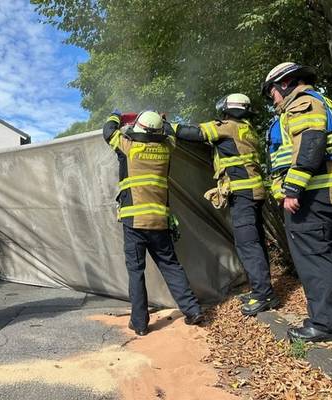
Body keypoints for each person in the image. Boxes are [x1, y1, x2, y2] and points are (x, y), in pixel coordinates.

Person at [262, 62, 332, 343]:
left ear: (284, 84)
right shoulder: (323, 102)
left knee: (314, 260)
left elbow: (311, 144)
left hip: (311, 195)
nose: (273, 99)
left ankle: (325, 324)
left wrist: (292, 188)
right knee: (330, 255)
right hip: (326, 193)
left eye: (272, 92)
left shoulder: (302, 103)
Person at [164, 94, 279, 316]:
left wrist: (167, 126)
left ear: (228, 110)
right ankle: (262, 290)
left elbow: (195, 133)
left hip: (243, 194)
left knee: (248, 245)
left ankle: (264, 294)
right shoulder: (247, 129)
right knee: (256, 243)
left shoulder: (228, 127)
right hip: (253, 193)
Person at [103, 110, 204, 336]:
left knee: (136, 272)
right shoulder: (167, 148)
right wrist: (163, 120)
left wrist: (118, 115)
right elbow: (169, 133)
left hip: (134, 222)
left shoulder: (128, 146)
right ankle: (193, 310)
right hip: (159, 221)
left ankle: (139, 324)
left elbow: (108, 131)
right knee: (171, 266)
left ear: (138, 129)